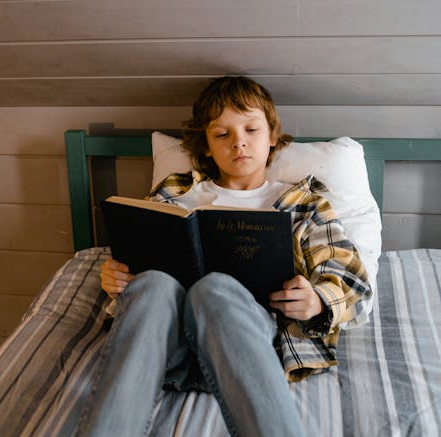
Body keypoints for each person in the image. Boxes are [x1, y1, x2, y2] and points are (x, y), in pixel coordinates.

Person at [77, 76, 371, 437]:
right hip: (170, 349)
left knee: (213, 289)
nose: (239, 143)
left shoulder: (302, 203)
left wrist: (317, 301)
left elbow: (351, 277)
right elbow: (137, 267)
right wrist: (117, 280)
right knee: (152, 283)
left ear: (272, 135)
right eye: (222, 135)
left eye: (251, 129)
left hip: (249, 345)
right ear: (205, 146)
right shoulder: (175, 195)